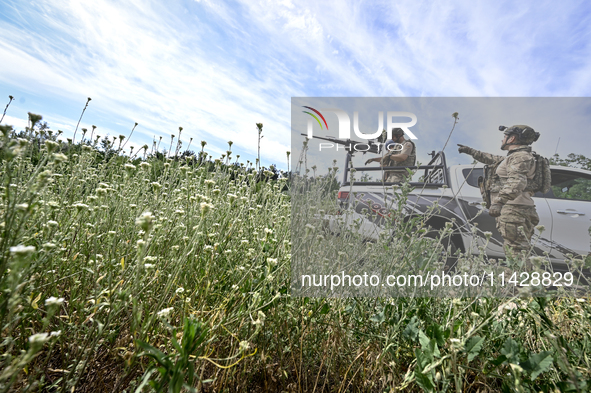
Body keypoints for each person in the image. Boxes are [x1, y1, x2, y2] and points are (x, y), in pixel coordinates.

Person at [458, 125, 540, 257]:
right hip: (514, 208)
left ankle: (515, 277)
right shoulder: (515, 157)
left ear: (512, 138)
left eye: (504, 137)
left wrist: (499, 202)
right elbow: (492, 159)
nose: (502, 140)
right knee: (516, 251)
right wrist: (470, 151)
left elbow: (517, 181)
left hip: (515, 209)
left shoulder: (521, 157)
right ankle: (517, 276)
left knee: (516, 252)